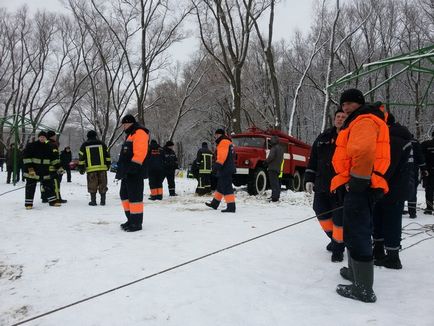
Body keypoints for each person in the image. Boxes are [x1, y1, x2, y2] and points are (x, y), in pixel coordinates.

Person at [330, 89, 390, 303]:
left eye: (349, 104)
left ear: (359, 103)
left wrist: (358, 182)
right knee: (354, 230)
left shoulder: (363, 120)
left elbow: (363, 151)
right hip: (360, 183)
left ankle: (363, 288)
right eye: (343, 104)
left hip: (360, 185)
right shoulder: (362, 119)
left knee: (358, 232)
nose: (345, 108)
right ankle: (355, 274)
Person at [305, 109, 347, 262]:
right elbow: (313, 160)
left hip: (340, 186)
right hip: (322, 184)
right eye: (338, 116)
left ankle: (338, 248)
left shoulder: (349, 136)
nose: (340, 119)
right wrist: (309, 178)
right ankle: (335, 239)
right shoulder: (323, 137)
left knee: (338, 219)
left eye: (343, 117)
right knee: (320, 211)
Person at [372, 113, 412, 270]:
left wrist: (374, 184)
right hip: (391, 187)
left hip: (392, 189)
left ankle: (393, 258)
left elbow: (386, 168)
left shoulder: (393, 140)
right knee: (380, 219)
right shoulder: (397, 137)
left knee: (391, 222)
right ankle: (379, 250)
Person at [116, 114, 149, 232]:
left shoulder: (139, 132)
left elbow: (140, 152)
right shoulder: (131, 134)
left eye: (124, 125)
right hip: (127, 172)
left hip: (135, 172)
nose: (123, 127)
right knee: (124, 195)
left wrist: (133, 168)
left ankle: (136, 223)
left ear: (129, 123)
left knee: (134, 198)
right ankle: (130, 219)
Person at [22, 131, 60, 208]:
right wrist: (30, 169)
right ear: (38, 137)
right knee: (30, 187)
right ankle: (28, 204)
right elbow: (26, 158)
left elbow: (53, 159)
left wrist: (59, 167)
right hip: (33, 170)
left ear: (46, 138)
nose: (42, 138)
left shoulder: (49, 147)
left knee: (49, 186)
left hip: (44, 170)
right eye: (41, 137)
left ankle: (52, 201)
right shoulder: (31, 146)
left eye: (44, 137)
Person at [205, 129, 236, 213]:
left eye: (216, 135)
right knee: (220, 186)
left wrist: (217, 166)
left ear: (219, 135)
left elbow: (222, 156)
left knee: (227, 187)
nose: (216, 137)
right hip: (228, 167)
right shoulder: (229, 142)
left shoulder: (223, 142)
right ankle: (214, 203)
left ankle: (231, 206)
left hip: (225, 168)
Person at [78, 130, 111, 206]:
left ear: (88, 136)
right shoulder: (102, 144)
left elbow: (81, 157)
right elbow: (107, 155)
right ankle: (103, 201)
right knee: (103, 184)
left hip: (91, 169)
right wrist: (108, 164)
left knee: (92, 185)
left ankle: (93, 201)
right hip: (102, 169)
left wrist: (81, 168)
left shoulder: (85, 145)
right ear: (96, 135)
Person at [403, 137, 427, 218]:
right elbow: (420, 156)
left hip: (401, 169)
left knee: (399, 189)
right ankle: (412, 212)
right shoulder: (415, 142)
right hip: (413, 169)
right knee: (412, 191)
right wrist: (423, 169)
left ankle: (400, 209)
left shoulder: (400, 139)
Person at [46, 130, 67, 204]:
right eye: (54, 136)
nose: (55, 137)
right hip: (53, 168)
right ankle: (58, 198)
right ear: (52, 136)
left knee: (46, 184)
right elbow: (54, 157)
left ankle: (45, 198)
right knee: (56, 184)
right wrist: (59, 167)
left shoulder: (44, 144)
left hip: (45, 168)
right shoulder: (53, 145)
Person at [265, 135, 284, 202]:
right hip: (278, 167)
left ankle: (274, 197)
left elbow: (271, 157)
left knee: (273, 183)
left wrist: (266, 161)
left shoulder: (274, 148)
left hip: (272, 167)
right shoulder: (281, 148)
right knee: (277, 183)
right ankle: (276, 196)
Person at [421, 131, 434, 214]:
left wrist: (423, 169)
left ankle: (429, 208)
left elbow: (421, 157)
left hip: (428, 171)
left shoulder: (425, 144)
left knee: (429, 189)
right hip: (429, 170)